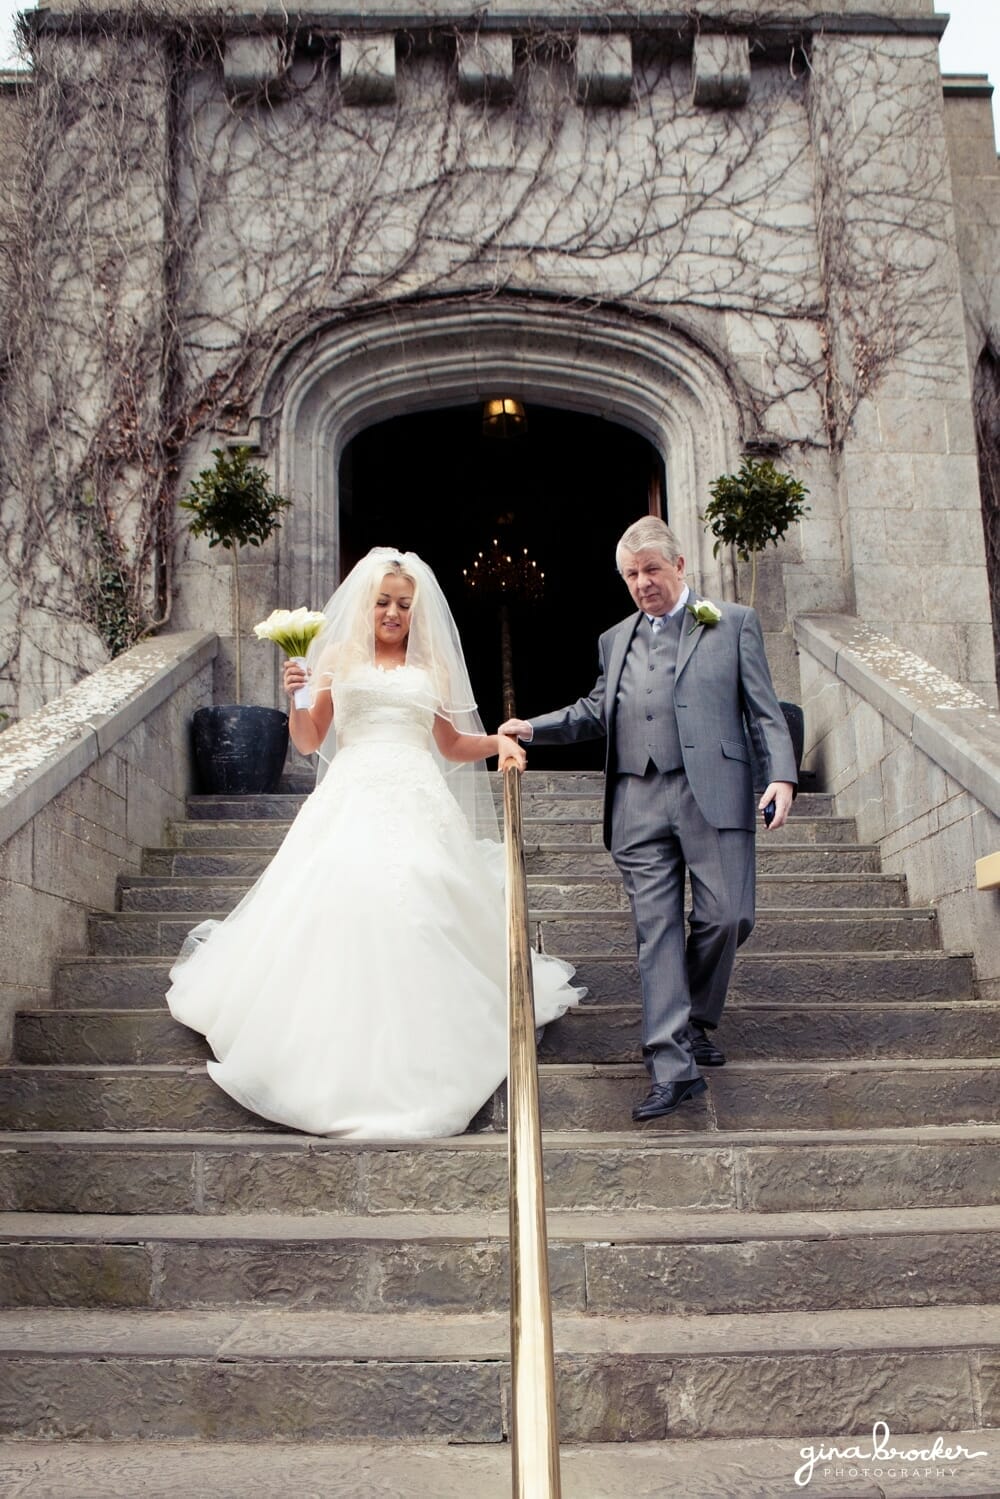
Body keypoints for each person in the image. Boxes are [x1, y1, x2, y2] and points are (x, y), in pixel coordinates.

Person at [166, 547, 580, 1139]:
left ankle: (422, 1050)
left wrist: (499, 745)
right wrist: (297, 694)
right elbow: (309, 743)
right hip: (353, 793)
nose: (393, 613)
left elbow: (451, 745)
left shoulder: (432, 669)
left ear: (416, 611)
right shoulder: (335, 656)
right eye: (383, 602)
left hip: (417, 797)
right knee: (344, 898)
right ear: (367, 603)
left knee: (420, 896)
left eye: (404, 605)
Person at [500, 515, 796, 1122]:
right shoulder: (615, 639)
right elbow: (595, 709)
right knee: (655, 936)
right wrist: (533, 727)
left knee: (727, 916)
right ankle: (671, 1067)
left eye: (651, 570)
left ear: (680, 566)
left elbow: (764, 710)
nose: (641, 583)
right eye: (631, 574)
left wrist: (782, 775)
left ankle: (694, 1019)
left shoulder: (732, 623)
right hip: (636, 801)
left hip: (713, 790)